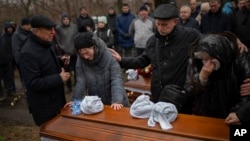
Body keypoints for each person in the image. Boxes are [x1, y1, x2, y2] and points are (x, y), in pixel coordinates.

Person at [110, 4, 201, 113]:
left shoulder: (190, 36)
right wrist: (121, 60)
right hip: (159, 94)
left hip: (180, 96)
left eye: (165, 25)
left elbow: (207, 46)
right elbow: (142, 61)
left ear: (175, 22)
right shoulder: (153, 41)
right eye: (158, 24)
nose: (161, 28)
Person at [184, 32, 250, 125]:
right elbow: (189, 90)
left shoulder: (238, 56)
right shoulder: (196, 59)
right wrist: (201, 78)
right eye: (204, 59)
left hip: (232, 114)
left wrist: (239, 113)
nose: (206, 64)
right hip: (205, 116)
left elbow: (246, 92)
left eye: (209, 59)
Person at [19, 15, 71, 126]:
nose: (53, 32)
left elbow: (45, 63)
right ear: (37, 31)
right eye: (49, 29)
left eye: (53, 29)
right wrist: (59, 78)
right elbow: (33, 83)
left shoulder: (45, 43)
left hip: (57, 102)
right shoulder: (27, 52)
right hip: (45, 108)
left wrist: (60, 60)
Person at [65, 32, 130, 110]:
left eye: (87, 53)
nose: (85, 57)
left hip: (116, 100)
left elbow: (116, 78)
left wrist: (116, 100)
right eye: (82, 54)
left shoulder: (109, 55)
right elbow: (81, 81)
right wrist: (76, 100)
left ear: (93, 47)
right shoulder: (81, 59)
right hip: (96, 101)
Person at [55, 12, 78, 93]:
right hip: (65, 53)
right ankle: (68, 86)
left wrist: (75, 48)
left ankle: (77, 84)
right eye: (64, 19)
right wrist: (63, 50)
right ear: (62, 20)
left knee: (76, 69)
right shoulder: (58, 28)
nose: (66, 20)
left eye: (67, 19)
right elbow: (58, 41)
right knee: (67, 70)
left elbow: (77, 38)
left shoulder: (74, 27)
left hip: (74, 52)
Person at [12, 18, 31, 90]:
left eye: (30, 24)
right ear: (23, 25)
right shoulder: (16, 35)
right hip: (24, 62)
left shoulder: (30, 33)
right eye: (27, 25)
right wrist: (20, 63)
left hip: (32, 60)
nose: (29, 26)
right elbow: (15, 50)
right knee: (26, 81)